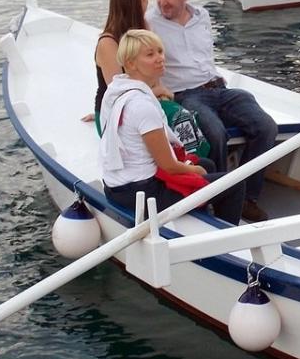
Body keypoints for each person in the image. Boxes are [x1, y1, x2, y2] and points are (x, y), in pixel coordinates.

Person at [146, 0, 278, 223]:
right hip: (186, 94)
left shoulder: (202, 16)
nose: (163, 2)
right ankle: (215, 199)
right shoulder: (150, 22)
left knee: (265, 127)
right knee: (215, 133)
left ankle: (247, 199)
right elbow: (132, 56)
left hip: (218, 87)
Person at [100, 30, 245, 225]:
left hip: (120, 186)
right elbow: (168, 165)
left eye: (160, 52)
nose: (160, 58)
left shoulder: (117, 92)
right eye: (150, 55)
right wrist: (197, 172)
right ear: (130, 63)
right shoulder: (141, 105)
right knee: (234, 182)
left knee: (207, 165)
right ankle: (224, 237)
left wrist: (199, 168)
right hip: (141, 193)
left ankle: (209, 215)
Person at [85, 0, 149, 132]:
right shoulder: (108, 43)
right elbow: (119, 91)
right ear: (139, 0)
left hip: (143, 101)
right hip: (116, 112)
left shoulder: (144, 28)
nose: (148, 1)